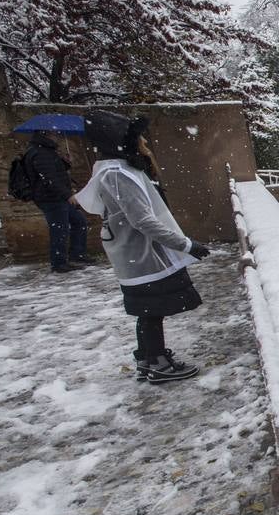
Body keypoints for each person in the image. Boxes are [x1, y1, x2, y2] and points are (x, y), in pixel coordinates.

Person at [75, 112, 210, 384]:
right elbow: (143, 220)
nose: (145, 143)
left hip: (133, 253)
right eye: (139, 138)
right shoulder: (117, 175)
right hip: (141, 255)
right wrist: (186, 245)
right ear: (124, 141)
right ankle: (158, 363)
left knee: (148, 310)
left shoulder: (112, 170)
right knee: (151, 310)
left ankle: (149, 358)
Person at [23, 131, 91, 273]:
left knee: (79, 222)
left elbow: (55, 172)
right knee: (59, 229)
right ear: (46, 135)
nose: (58, 136)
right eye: (55, 133)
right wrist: (68, 195)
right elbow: (49, 179)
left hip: (56, 197)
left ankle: (77, 255)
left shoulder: (46, 151)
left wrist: (65, 162)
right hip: (51, 198)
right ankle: (58, 263)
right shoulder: (40, 153)